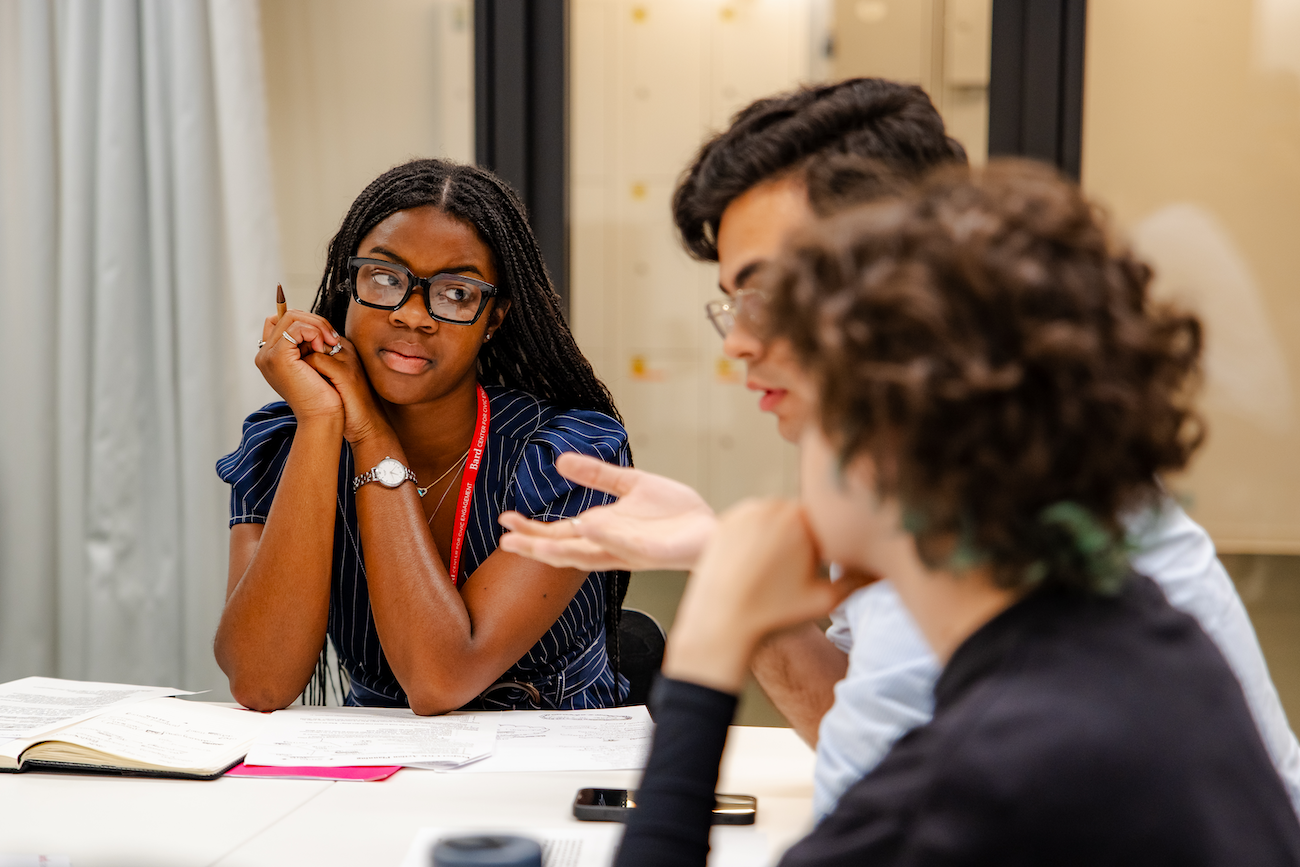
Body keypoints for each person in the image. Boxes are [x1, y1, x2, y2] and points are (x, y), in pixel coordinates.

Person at [498, 77, 1300, 816]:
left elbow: (878, 800)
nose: (738, 341)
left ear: (900, 276)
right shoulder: (937, 462)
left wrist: (714, 640)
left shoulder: (994, 511)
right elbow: (873, 735)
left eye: (771, 292)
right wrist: (724, 558)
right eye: (734, 302)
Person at [215, 159, 631, 714]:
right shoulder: (282, 442)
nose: (413, 316)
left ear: (494, 318)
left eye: (456, 293)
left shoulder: (571, 457)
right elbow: (259, 682)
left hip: (548, 754)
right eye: (386, 279)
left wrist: (372, 436)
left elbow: (441, 679)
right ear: (348, 286)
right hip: (371, 758)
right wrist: (319, 421)